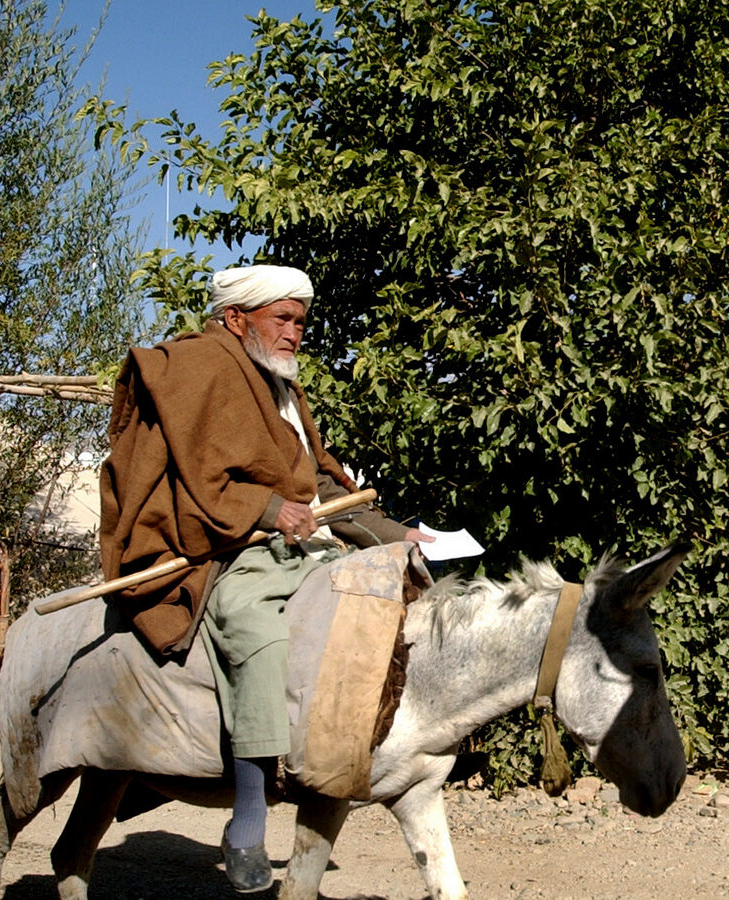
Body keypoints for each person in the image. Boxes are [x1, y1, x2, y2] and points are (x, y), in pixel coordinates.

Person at [99, 264, 429, 892]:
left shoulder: (280, 385)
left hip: (306, 546)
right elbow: (194, 478)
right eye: (283, 319)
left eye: (301, 322)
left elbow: (322, 481)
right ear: (235, 318)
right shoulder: (201, 368)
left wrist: (396, 536)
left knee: (395, 600)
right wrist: (266, 508)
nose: (295, 333)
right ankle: (247, 820)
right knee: (257, 627)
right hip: (227, 548)